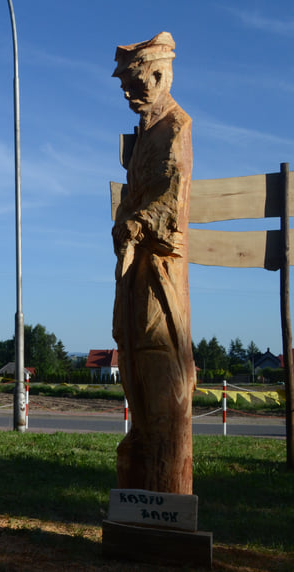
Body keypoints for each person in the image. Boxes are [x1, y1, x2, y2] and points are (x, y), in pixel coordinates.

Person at [111, 32, 196, 494]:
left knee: (155, 345)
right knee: (129, 343)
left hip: (160, 266)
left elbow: (172, 199)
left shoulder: (176, 125)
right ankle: (143, 437)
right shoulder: (144, 131)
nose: (126, 92)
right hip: (134, 262)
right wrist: (125, 219)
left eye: (134, 81)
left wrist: (139, 222)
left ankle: (162, 459)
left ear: (160, 74)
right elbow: (132, 193)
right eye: (122, 83)